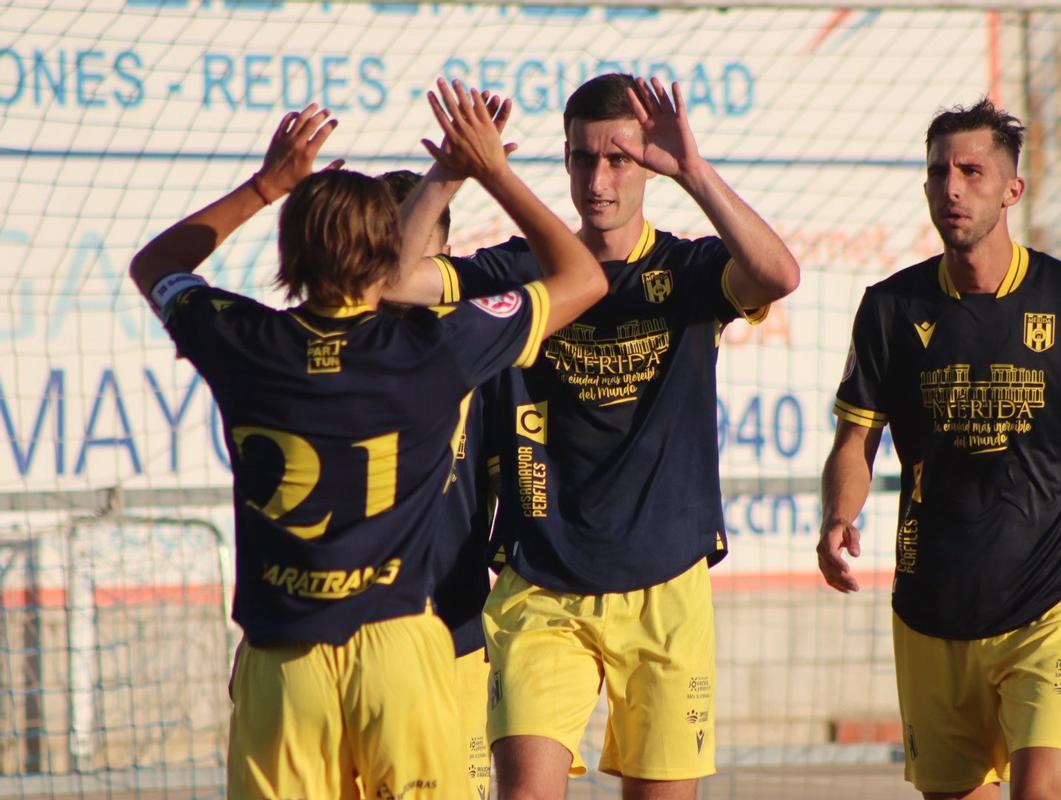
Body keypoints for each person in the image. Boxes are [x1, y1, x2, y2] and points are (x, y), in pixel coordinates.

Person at [128, 89, 606, 800]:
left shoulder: (242, 338)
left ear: (289, 253)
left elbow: (155, 263)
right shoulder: (435, 345)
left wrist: (267, 185)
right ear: (391, 255)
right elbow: (584, 278)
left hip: (285, 659)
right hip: (399, 653)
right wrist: (491, 173)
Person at [387, 74, 800, 799]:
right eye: (582, 159)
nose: (598, 179)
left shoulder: (686, 269)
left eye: (619, 160)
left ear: (649, 166)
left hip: (666, 587)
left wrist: (696, 173)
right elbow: (390, 283)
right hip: (543, 585)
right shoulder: (521, 271)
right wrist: (447, 173)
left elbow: (777, 272)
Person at [818, 98, 1061, 800]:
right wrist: (837, 516)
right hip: (930, 611)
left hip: (1050, 606)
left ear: (1011, 190)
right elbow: (855, 438)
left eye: (972, 172)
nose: (952, 189)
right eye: (938, 173)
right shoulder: (891, 308)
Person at [378, 167, 496, 800]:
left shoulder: (481, 350)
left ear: (446, 255)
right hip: (353, 642)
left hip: (457, 635)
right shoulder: (332, 353)